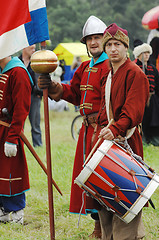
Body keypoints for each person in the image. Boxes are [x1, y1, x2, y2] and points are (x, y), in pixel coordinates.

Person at [38, 15, 110, 239]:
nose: (93, 42)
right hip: (87, 132)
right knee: (88, 179)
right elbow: (73, 92)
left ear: (106, 40)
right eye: (89, 39)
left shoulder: (112, 65)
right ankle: (97, 226)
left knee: (105, 178)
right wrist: (52, 86)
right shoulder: (86, 66)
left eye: (98, 37)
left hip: (106, 131)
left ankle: (106, 228)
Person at [92, 23, 149, 240]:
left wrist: (114, 128)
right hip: (108, 142)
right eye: (109, 45)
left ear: (126, 48)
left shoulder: (135, 73)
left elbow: (132, 112)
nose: (113, 49)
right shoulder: (108, 73)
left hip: (126, 141)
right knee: (106, 196)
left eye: (117, 44)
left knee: (125, 195)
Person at [0, 55, 33, 224]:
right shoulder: (2, 70)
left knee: (11, 170)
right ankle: (3, 210)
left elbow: (21, 109)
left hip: (8, 131)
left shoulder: (18, 72)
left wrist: (12, 138)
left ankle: (17, 212)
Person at [133, 40, 159, 146]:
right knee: (141, 120)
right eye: (144, 53)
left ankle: (154, 140)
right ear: (139, 55)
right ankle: (142, 139)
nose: (146, 55)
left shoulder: (152, 68)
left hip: (152, 100)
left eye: (148, 53)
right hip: (138, 100)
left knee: (153, 120)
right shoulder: (134, 68)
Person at [19, 45, 43, 147]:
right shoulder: (17, 61)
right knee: (19, 122)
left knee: (35, 123)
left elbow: (42, 78)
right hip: (20, 96)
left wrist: (40, 92)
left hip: (34, 95)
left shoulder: (36, 61)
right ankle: (19, 144)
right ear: (24, 48)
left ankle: (38, 145)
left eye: (34, 48)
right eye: (31, 48)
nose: (34, 50)